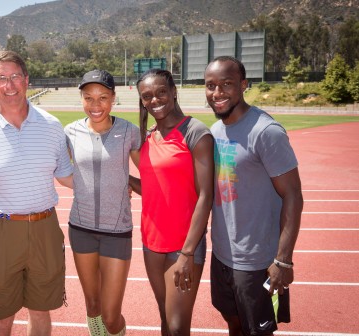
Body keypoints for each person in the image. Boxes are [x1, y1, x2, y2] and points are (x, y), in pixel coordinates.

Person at [0, 50, 73, 336]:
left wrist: (111, 183)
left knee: (41, 308)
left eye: (15, 77)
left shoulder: (51, 126)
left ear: (26, 80)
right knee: (0, 316)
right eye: (2, 78)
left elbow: (65, 176)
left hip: (44, 228)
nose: (9, 85)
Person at [204, 56, 304, 336]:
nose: (218, 93)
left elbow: (294, 196)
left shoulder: (266, 131)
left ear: (244, 85)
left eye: (226, 84)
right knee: (233, 323)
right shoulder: (215, 131)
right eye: (211, 86)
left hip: (257, 261)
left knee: (258, 332)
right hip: (223, 255)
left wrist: (283, 260)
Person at [129, 69, 215, 336]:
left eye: (161, 92)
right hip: (151, 243)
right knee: (165, 320)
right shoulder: (148, 137)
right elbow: (156, 189)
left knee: (178, 327)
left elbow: (206, 195)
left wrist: (188, 253)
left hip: (184, 246)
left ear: (174, 91)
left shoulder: (196, 133)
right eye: (147, 96)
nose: (155, 100)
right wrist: (126, 181)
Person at [64, 70, 140, 336]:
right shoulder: (70, 132)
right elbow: (60, 173)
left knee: (110, 315)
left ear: (113, 99)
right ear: (82, 100)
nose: (96, 105)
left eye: (103, 98)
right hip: (80, 229)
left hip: (117, 232)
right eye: (89, 98)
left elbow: (153, 176)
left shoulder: (129, 131)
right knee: (92, 304)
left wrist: (126, 181)